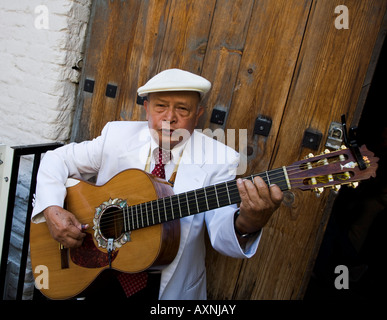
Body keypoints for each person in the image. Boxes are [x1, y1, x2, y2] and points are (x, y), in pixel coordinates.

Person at [31, 69, 283, 300]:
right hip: (97, 271)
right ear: (146, 107)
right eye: (161, 106)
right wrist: (52, 209)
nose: (169, 118)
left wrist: (250, 221)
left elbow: (220, 234)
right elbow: (56, 158)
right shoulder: (116, 135)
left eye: (183, 110)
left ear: (199, 114)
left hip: (161, 287)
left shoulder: (221, 159)